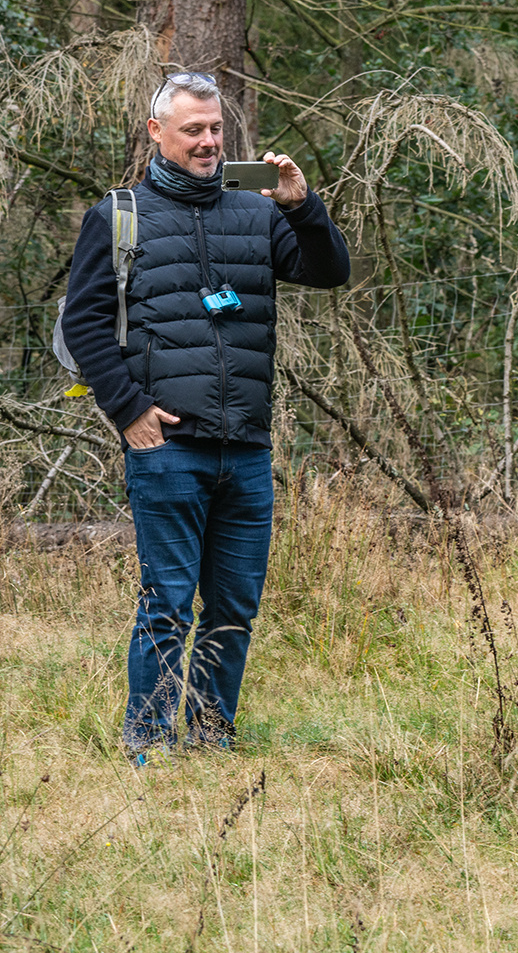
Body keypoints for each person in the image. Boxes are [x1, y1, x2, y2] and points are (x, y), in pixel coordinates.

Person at [61, 72, 350, 762]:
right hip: (167, 447)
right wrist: (128, 410)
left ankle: (210, 738)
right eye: (193, 129)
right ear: (156, 133)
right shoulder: (119, 215)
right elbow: (84, 325)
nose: (209, 141)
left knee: (233, 610)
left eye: (216, 128)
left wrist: (303, 205)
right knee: (167, 604)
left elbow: (330, 271)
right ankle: (150, 743)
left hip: (246, 447)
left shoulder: (258, 211)